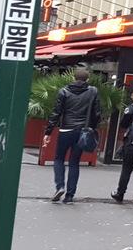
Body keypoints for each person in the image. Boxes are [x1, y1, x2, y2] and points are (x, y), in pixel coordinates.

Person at [44, 67, 102, 204]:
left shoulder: (64, 91)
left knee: (59, 158)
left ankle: (60, 186)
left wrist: (48, 132)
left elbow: (56, 113)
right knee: (74, 162)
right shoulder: (93, 91)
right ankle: (69, 196)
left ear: (73, 78)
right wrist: (92, 128)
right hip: (82, 131)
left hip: (65, 130)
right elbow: (97, 113)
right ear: (87, 79)